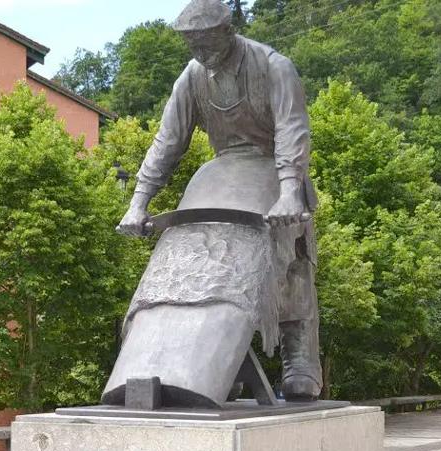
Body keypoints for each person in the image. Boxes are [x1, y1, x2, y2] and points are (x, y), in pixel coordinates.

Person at [114, 0, 322, 402]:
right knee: (196, 264)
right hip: (220, 175)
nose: (201, 54)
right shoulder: (192, 77)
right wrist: (138, 201)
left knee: (290, 267)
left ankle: (300, 360)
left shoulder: (273, 66)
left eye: (207, 43)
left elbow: (293, 131)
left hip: (274, 174)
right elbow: (167, 141)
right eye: (193, 46)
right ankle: (193, 357)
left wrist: (289, 192)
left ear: (228, 31)